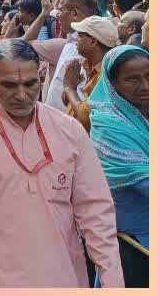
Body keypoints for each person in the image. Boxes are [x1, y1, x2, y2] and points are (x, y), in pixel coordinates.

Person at [0, 39, 123, 287]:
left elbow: (96, 211)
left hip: (61, 276)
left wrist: (113, 281)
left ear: (41, 74)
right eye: (9, 85)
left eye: (30, 84)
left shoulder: (69, 130)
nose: (21, 95)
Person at [87, 45, 149, 288]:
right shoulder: (108, 126)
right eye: (132, 79)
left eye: (149, 76)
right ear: (112, 84)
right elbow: (144, 184)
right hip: (135, 242)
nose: (144, 86)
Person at [26, 0, 98, 108]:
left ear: (74, 13)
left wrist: (44, 14)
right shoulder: (69, 43)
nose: (57, 15)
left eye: (61, 10)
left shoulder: (92, 47)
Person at [62, 16, 119, 131]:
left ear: (93, 41)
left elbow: (86, 117)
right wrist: (68, 92)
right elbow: (75, 103)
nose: (76, 40)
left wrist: (69, 88)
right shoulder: (90, 65)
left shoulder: (106, 72)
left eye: (80, 36)